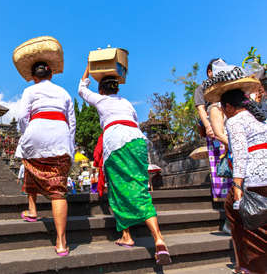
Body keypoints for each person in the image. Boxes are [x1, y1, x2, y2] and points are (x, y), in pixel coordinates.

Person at [79, 65, 171, 265]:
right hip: (137, 141)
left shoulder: (101, 99)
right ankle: (159, 239)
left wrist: (88, 68)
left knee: (118, 189)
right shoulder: (127, 103)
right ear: (117, 89)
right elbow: (135, 122)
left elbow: (82, 89)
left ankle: (127, 235)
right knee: (140, 188)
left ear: (102, 90)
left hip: (116, 143)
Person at [15, 61, 76, 256]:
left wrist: (28, 134)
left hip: (36, 130)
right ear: (51, 75)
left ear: (34, 78)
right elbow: (71, 122)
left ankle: (32, 209)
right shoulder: (64, 93)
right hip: (60, 134)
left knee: (31, 164)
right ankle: (61, 242)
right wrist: (69, 144)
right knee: (58, 191)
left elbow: (22, 117)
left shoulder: (29, 92)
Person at [220, 89, 266, 274]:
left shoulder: (234, 121)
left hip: (255, 179)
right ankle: (244, 265)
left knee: (247, 223)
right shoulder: (260, 119)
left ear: (229, 107)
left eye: (224, 109)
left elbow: (240, 153)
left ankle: (248, 266)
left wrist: (237, 185)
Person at [195, 59, 232, 202]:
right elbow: (201, 108)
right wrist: (208, 126)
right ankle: (222, 195)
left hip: (229, 123)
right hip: (214, 124)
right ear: (209, 72)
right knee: (219, 160)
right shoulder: (202, 88)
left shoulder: (227, 84)